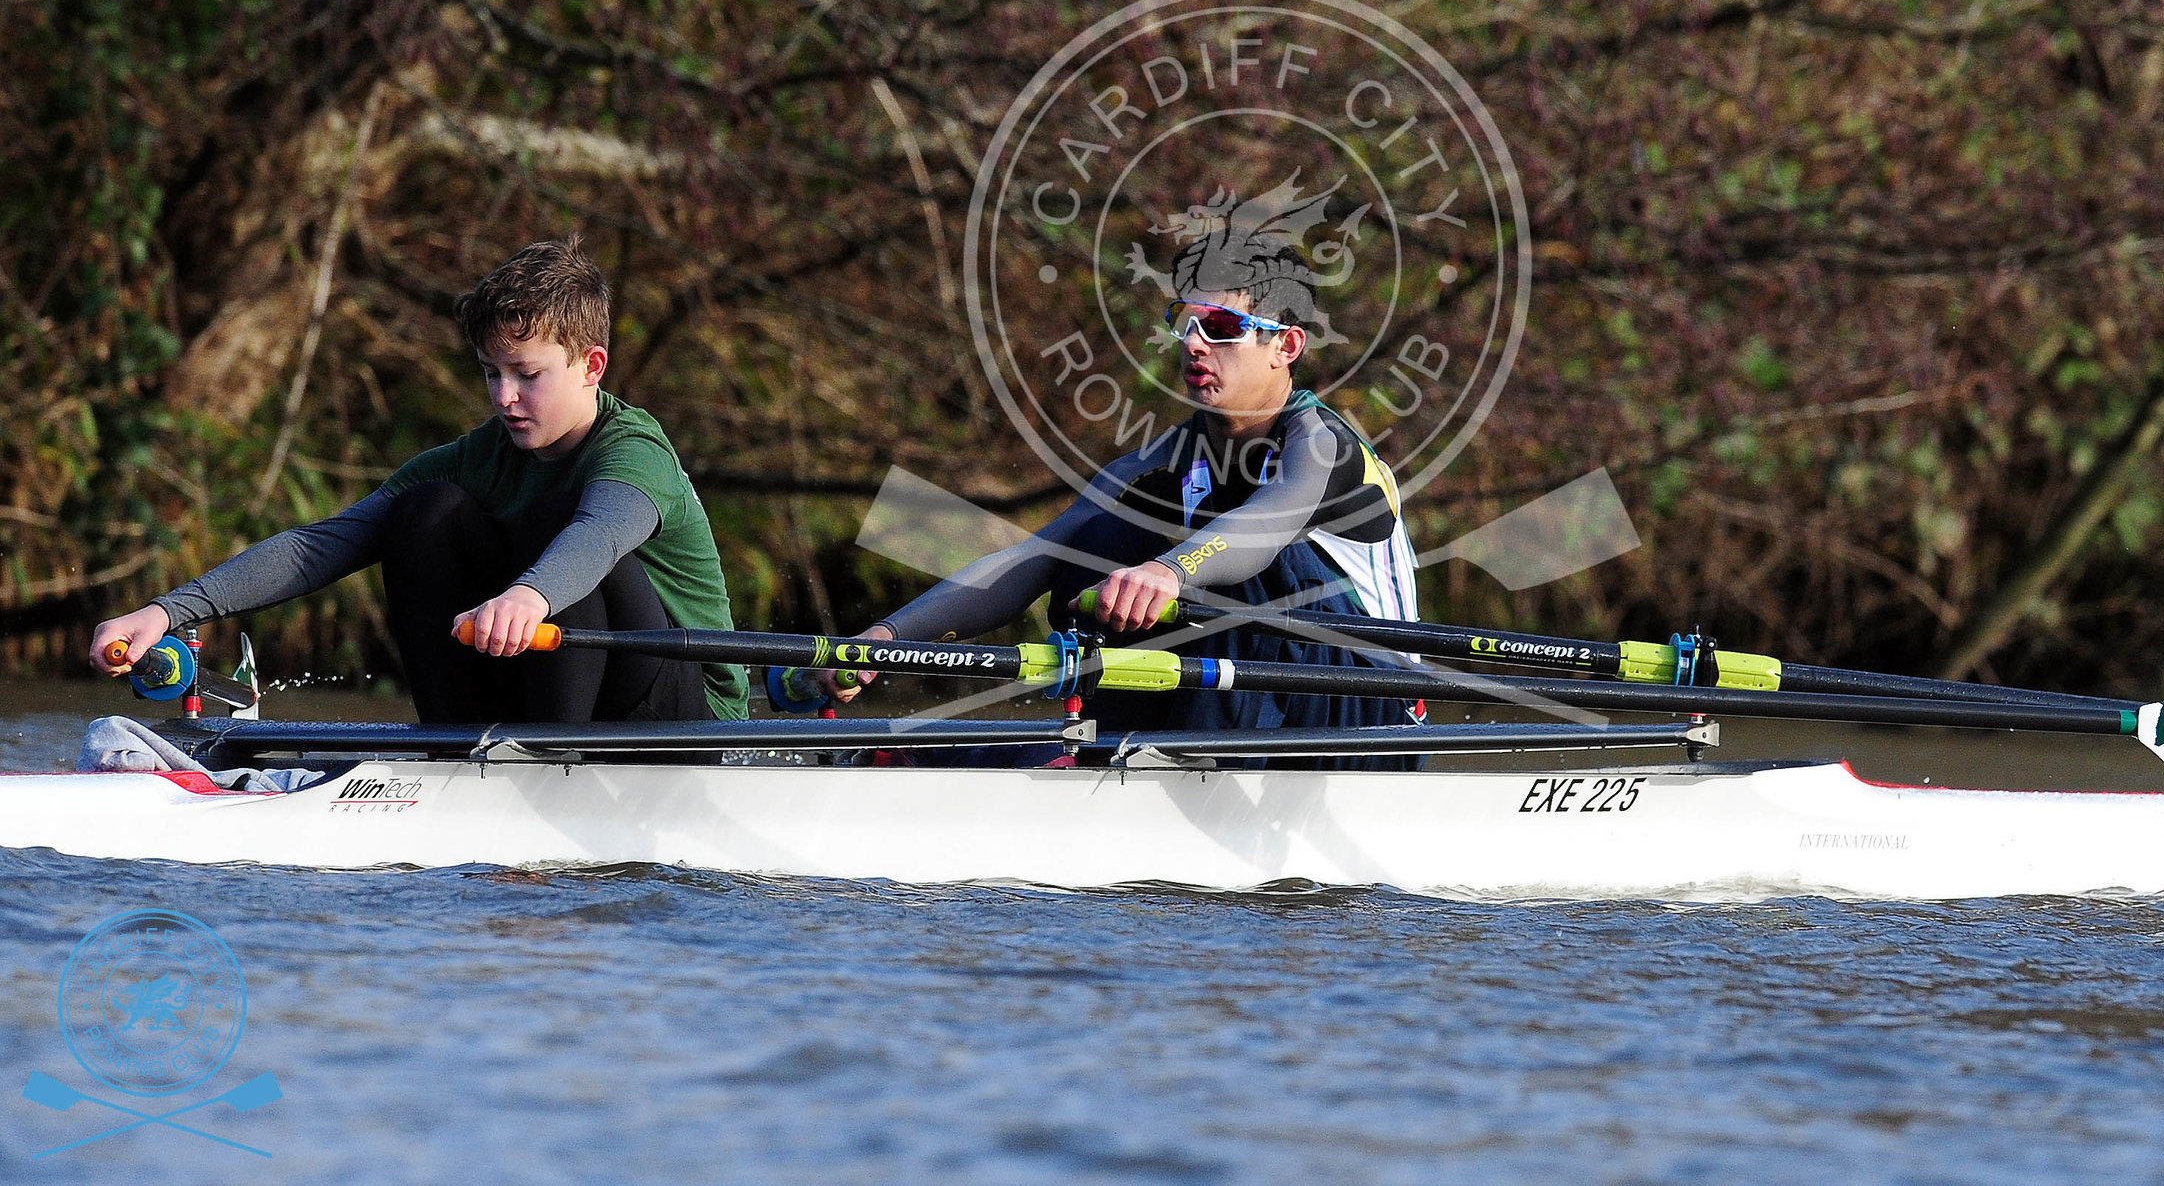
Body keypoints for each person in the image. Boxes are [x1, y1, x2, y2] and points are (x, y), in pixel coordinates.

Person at [90, 237, 745, 725]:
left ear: (591, 366)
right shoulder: (477, 457)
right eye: (491, 373)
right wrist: (166, 609)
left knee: (558, 519)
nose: (504, 397)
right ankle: (451, 743)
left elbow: (598, 538)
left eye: (526, 374)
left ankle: (547, 763)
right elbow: (322, 544)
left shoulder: (635, 451)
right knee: (424, 513)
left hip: (689, 711)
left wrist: (528, 598)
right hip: (568, 680)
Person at [830, 268, 1425, 768]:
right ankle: (1113, 753)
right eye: (1186, 324)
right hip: (1261, 699)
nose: (1193, 344)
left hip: (1371, 714)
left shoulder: (1324, 446)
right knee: (1095, 539)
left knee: (1230, 554)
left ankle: (1176, 760)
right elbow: (1027, 561)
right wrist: (882, 642)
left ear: (1286, 347)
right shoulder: (1158, 461)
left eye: (1221, 329)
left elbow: (1262, 527)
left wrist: (1170, 570)